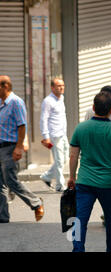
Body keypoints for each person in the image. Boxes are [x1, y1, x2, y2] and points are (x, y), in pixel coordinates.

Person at [68, 91, 111, 252]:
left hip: (84, 182)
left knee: (79, 220)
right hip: (109, 184)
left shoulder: (81, 128)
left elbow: (73, 155)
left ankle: (78, 249)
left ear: (93, 107)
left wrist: (72, 177)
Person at [0, 75, 44, 223]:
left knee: (11, 181)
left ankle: (36, 202)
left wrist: (19, 146)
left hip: (10, 148)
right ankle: (3, 216)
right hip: (0, 148)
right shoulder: (1, 103)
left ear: (5, 86)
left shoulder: (16, 102)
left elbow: (22, 125)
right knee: (0, 184)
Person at [84, 85, 111, 225]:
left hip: (93, 150)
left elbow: (86, 126)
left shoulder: (90, 111)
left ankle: (101, 211)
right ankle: (107, 212)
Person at [39, 78, 68, 192]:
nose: (61, 88)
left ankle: (47, 176)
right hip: (54, 135)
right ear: (52, 87)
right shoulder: (48, 101)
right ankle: (60, 185)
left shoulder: (62, 98)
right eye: (58, 86)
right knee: (59, 160)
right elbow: (43, 119)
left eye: (63, 85)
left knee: (64, 158)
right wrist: (46, 137)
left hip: (63, 133)